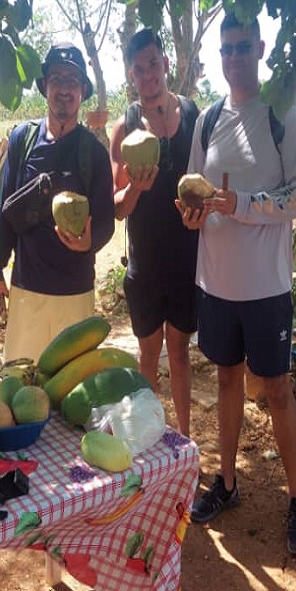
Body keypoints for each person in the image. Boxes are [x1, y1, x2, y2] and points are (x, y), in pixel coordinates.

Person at [178, 13, 296, 555]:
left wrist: (242, 204)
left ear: (260, 49)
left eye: (242, 47)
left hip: (267, 286)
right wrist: (193, 215)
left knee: (277, 390)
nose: (234, 57)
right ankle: (228, 482)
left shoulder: (284, 114)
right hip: (216, 283)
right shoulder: (208, 120)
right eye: (226, 49)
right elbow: (194, 192)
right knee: (226, 382)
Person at [0, 43, 115, 362]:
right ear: (45, 86)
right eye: (57, 79)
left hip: (75, 293)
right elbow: (6, 212)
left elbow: (106, 221)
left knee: (71, 387)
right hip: (27, 291)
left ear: (83, 90)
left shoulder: (94, 153)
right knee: (21, 381)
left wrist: (88, 243)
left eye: (72, 81)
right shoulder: (22, 140)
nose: (64, 89)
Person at [109, 28, 200, 436]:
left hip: (186, 262)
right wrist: (135, 188)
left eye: (152, 64)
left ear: (165, 63)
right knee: (149, 356)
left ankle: (185, 440)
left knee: (179, 353)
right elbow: (116, 208)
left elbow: (206, 180)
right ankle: (149, 441)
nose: (147, 75)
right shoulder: (124, 128)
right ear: (131, 75)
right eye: (139, 69)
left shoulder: (193, 116)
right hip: (145, 266)